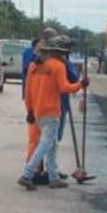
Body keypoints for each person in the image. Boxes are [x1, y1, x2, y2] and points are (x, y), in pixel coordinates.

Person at [19, 36, 88, 190]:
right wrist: (80, 85)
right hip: (51, 111)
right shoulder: (58, 66)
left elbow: (28, 89)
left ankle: (53, 177)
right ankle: (27, 173)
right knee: (46, 144)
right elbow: (64, 88)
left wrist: (29, 109)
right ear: (58, 52)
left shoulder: (34, 66)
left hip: (37, 111)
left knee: (52, 144)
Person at [21, 27, 60, 183]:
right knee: (40, 141)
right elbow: (28, 80)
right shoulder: (34, 57)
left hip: (36, 104)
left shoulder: (52, 57)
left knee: (50, 142)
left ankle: (51, 174)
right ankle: (31, 171)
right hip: (42, 105)